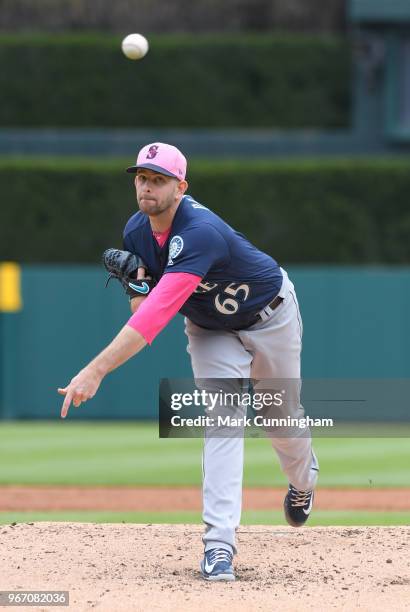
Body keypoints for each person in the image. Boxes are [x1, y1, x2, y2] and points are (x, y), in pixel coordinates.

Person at [58, 142, 319, 582]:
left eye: (158, 179)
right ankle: (219, 546)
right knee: (223, 421)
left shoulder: (199, 230)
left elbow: (157, 318)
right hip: (210, 330)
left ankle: (303, 483)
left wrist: (96, 368)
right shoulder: (137, 233)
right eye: (142, 178)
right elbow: (144, 310)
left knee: (281, 420)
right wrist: (135, 286)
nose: (147, 187)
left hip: (271, 315)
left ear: (181, 187)